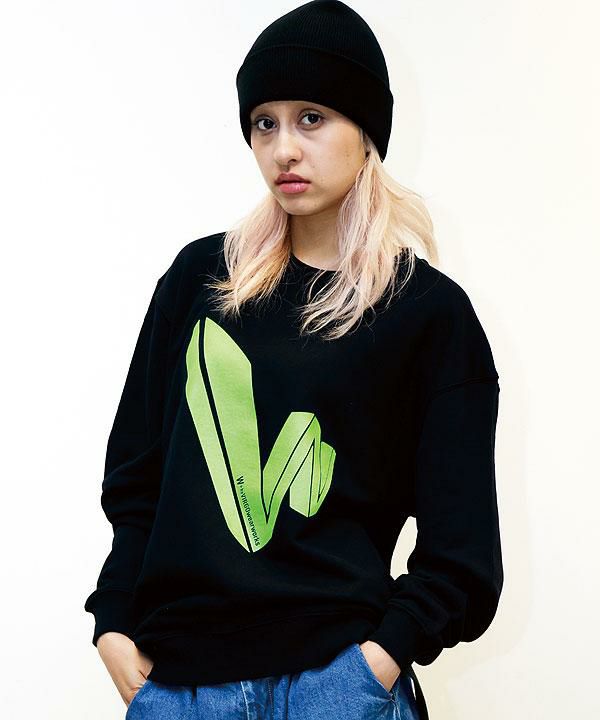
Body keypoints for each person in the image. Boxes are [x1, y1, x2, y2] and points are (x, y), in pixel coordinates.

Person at [83, 2, 503, 719]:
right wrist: (113, 621)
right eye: (264, 123)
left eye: (312, 118)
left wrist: (375, 664)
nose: (283, 149)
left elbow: (462, 555)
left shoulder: (427, 314)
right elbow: (135, 476)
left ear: (365, 130)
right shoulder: (200, 282)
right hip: (182, 687)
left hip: (334, 686)